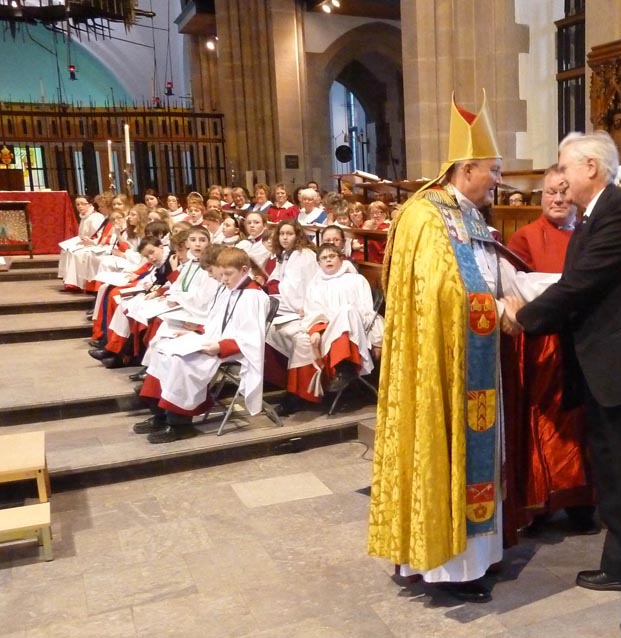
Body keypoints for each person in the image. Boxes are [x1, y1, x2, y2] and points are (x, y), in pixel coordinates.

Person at [502, 130, 621, 634]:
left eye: (564, 167)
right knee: (613, 471)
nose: (559, 179)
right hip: (608, 365)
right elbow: (580, 284)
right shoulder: (596, 215)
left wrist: (524, 318)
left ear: (591, 167)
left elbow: (580, 285)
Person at [369, 92, 516, 604]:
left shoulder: (470, 213)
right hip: (439, 364)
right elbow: (439, 290)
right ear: (468, 167)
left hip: (472, 360)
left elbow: (486, 271)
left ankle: (475, 559)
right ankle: (449, 568)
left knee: (474, 453)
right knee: (442, 445)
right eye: (494, 170)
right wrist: (496, 309)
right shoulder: (426, 215)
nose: (499, 179)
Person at [504, 166, 596, 538]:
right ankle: (540, 502)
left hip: (582, 341)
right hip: (542, 345)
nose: (557, 199)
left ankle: (579, 501)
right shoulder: (524, 238)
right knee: (543, 423)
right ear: (539, 198)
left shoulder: (589, 237)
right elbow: (513, 291)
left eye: (563, 192)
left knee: (582, 426)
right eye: (549, 193)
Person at [136, 247, 269, 443]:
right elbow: (215, 322)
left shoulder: (254, 296)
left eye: (228, 274)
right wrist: (196, 332)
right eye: (221, 274)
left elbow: (251, 339)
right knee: (162, 349)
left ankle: (180, 424)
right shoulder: (227, 289)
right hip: (213, 341)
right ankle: (160, 415)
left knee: (180, 361)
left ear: (243, 270)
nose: (223, 279)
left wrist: (219, 347)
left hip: (233, 350)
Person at [269, 243, 382, 413]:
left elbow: (367, 311)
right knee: (301, 340)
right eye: (324, 258)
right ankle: (296, 396)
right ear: (319, 263)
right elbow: (313, 311)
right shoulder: (315, 284)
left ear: (340, 258)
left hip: (355, 329)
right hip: (324, 328)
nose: (328, 260)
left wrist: (376, 339)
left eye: (332, 256)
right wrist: (316, 330)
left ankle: (345, 366)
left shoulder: (356, 280)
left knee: (347, 311)